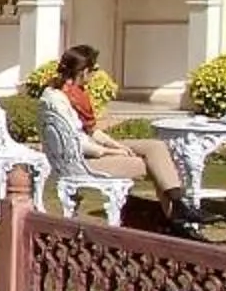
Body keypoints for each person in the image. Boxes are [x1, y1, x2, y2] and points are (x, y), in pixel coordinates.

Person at [44, 44, 195, 232]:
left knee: (155, 148)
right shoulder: (61, 99)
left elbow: (91, 131)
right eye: (93, 71)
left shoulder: (68, 93)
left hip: (87, 150)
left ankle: (177, 205)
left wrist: (114, 143)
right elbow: (79, 143)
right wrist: (113, 150)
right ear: (83, 72)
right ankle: (176, 220)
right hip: (81, 160)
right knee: (152, 165)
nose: (93, 76)